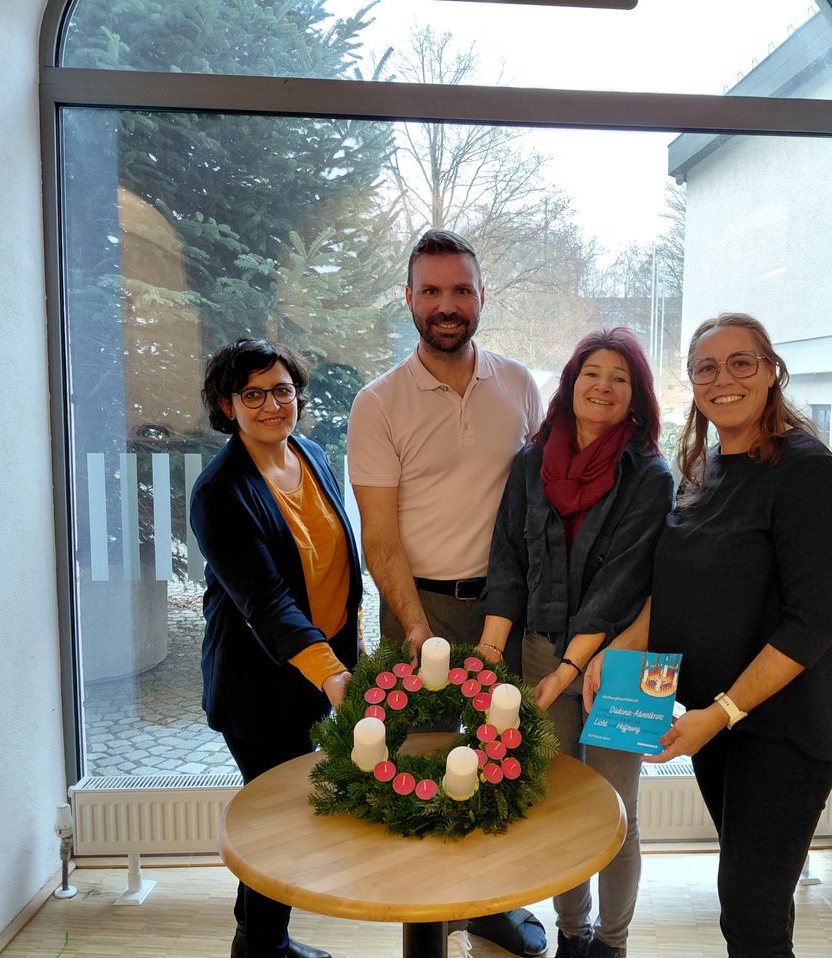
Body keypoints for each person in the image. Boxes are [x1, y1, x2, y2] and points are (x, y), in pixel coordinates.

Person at [584, 314, 832, 958]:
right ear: (691, 381)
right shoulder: (706, 467)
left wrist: (721, 714)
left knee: (752, 912)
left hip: (785, 725)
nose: (725, 378)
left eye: (742, 362)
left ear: (772, 371)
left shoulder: (808, 473)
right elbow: (676, 584)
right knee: (745, 899)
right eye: (706, 367)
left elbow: (813, 620)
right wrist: (623, 644)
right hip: (720, 720)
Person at [347, 229, 548, 957]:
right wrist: (414, 625)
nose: (446, 305)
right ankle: (425, 935)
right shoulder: (379, 404)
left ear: (481, 298)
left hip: (504, 608)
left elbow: (539, 508)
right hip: (417, 607)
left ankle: (491, 908)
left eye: (460, 290)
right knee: (422, 775)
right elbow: (381, 538)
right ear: (408, 300)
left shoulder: (521, 385)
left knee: (499, 765)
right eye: (430, 291)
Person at [478, 327, 673, 958]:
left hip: (625, 658)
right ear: (570, 382)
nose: (604, 386)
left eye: (620, 377)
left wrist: (569, 669)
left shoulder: (651, 475)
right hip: (539, 648)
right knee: (559, 801)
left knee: (618, 808)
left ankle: (611, 945)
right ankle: (572, 933)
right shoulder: (530, 462)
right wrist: (489, 651)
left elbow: (623, 580)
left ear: (636, 397)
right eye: (593, 372)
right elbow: (507, 559)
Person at [191, 339, 362, 958]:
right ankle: (262, 947)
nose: (272, 405)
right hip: (258, 682)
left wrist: (351, 659)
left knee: (279, 820)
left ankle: (261, 942)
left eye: (283, 390)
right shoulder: (218, 492)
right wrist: (333, 675)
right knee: (283, 820)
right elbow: (265, 601)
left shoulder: (311, 454)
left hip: (321, 671)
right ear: (227, 405)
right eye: (254, 394)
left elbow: (336, 567)